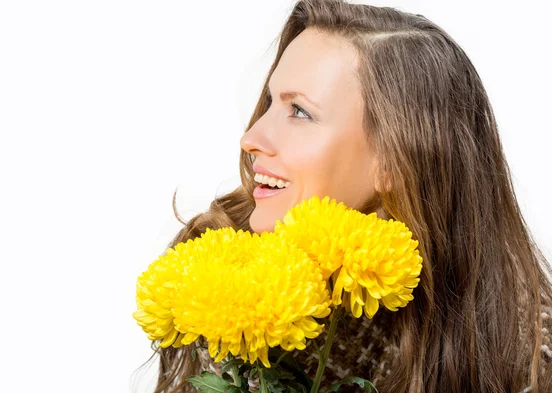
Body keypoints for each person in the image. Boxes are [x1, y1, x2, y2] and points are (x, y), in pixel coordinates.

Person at [134, 0, 552, 392]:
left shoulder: (522, 340)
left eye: (300, 112)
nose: (251, 138)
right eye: (269, 103)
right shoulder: (211, 273)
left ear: (395, 160)